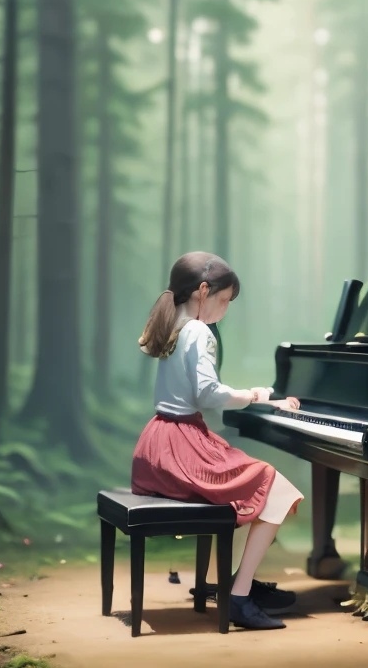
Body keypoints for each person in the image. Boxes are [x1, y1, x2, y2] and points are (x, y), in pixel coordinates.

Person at [131, 252, 305, 631]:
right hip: (183, 446)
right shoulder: (198, 331)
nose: (224, 310)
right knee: (278, 490)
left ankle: (241, 582)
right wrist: (259, 394)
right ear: (204, 290)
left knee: (261, 488)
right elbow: (209, 394)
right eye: (224, 300)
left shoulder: (173, 323)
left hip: (157, 444)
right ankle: (239, 596)